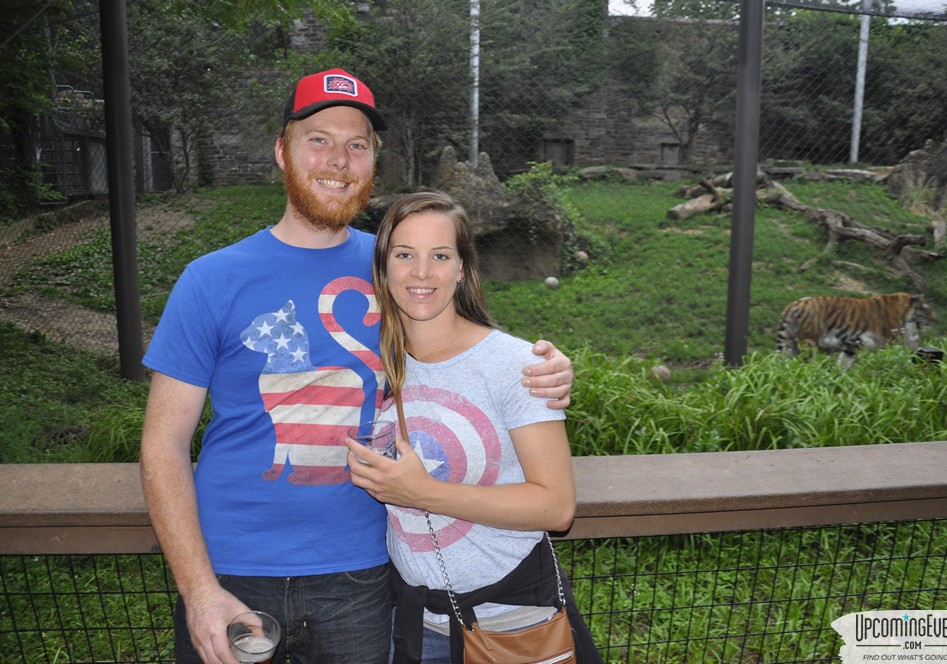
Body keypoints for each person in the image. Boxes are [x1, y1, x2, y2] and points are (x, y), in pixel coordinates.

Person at [139, 68, 574, 664]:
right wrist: (198, 590)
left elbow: (465, 347)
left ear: (373, 161)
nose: (338, 160)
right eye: (318, 139)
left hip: (363, 577)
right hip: (231, 573)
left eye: (357, 145)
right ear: (282, 151)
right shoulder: (210, 279)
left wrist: (542, 365)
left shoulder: (399, 267)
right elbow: (163, 444)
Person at [347, 191, 601, 663]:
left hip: (511, 623)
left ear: (462, 268)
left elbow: (556, 506)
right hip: (414, 622)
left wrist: (424, 492)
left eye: (440, 256)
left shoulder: (514, 365)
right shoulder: (375, 361)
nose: (422, 273)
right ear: (383, 267)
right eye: (404, 255)